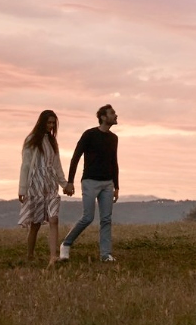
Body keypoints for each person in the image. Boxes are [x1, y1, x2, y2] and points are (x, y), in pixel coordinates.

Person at [60, 104, 120, 262]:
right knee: (88, 217)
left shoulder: (114, 138)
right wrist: (70, 181)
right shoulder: (89, 134)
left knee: (106, 219)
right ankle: (66, 244)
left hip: (107, 183)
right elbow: (76, 157)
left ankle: (105, 254)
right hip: (90, 181)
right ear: (103, 117)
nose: (116, 116)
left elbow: (114, 162)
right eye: (112, 113)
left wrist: (116, 186)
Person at [18, 109, 73, 266]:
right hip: (35, 186)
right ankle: (29, 255)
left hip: (50, 185)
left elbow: (57, 165)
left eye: (53, 123)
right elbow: (25, 165)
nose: (51, 126)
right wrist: (22, 189)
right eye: (48, 122)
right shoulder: (31, 140)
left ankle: (53, 257)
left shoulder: (52, 141)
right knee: (35, 224)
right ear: (42, 122)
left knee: (54, 219)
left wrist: (65, 184)